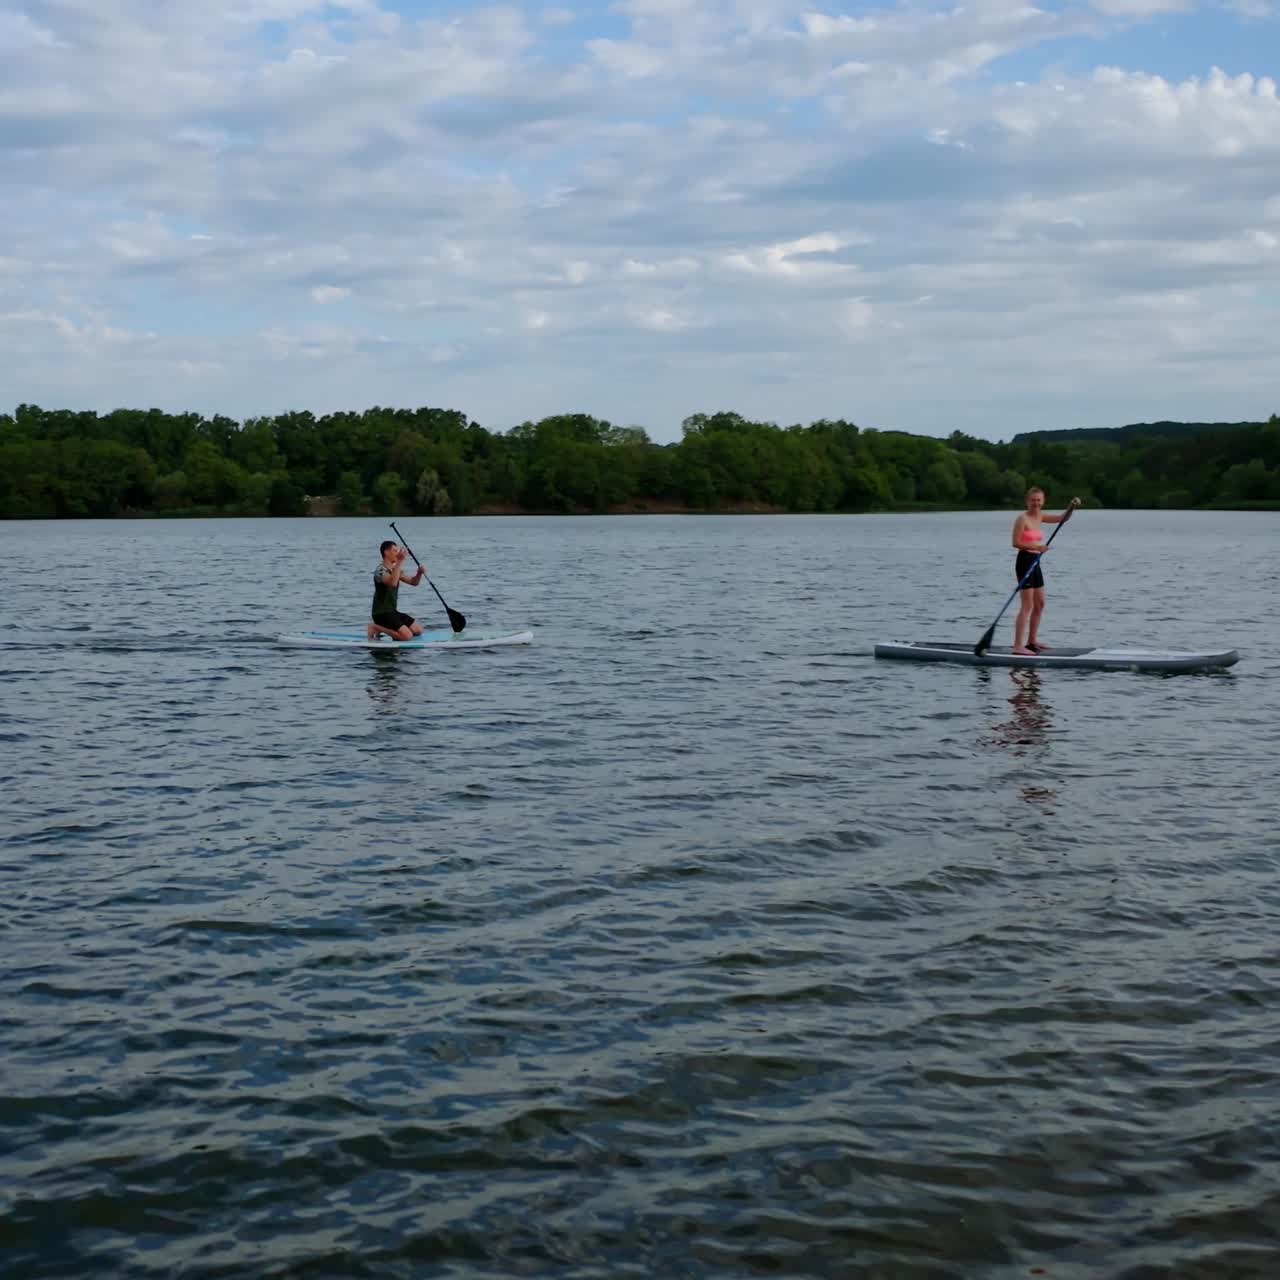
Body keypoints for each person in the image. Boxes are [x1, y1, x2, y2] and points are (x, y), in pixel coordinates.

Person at [1010, 488, 1081, 655]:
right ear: (1027, 501)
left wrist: (1071, 507)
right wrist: (1037, 547)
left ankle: (1032, 641)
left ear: (1043, 501)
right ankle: (1018, 646)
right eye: (1033, 500)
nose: (1036, 503)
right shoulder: (1022, 518)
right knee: (1027, 605)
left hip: (1036, 562)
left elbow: (1062, 519)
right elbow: (1015, 543)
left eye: (1039, 500)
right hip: (1024, 561)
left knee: (1040, 603)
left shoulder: (1041, 516)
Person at [367, 539, 427, 641]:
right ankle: (375, 627)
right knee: (407, 636)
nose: (397, 553)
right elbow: (392, 583)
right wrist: (399, 561)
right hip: (381, 613)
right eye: (395, 551)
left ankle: (392, 631)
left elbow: (414, 582)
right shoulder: (380, 571)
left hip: (392, 612)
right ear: (386, 552)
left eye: (398, 551)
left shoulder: (395, 569)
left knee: (418, 630)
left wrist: (419, 573)